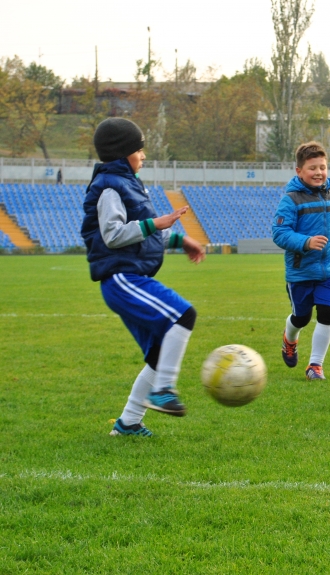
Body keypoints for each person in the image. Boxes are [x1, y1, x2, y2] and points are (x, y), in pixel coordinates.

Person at [81, 118, 205, 437]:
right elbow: (113, 235)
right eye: (140, 149)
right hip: (121, 278)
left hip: (129, 276)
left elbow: (143, 234)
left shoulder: (128, 184)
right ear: (124, 153)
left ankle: (128, 423)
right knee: (183, 314)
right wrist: (156, 224)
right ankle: (163, 389)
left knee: (158, 351)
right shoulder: (110, 186)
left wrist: (179, 240)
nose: (144, 155)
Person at [273, 141, 330, 380]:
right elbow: (279, 234)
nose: (318, 172)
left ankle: (315, 365)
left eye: (322, 167)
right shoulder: (291, 200)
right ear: (299, 171)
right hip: (301, 271)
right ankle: (289, 339)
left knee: (327, 313)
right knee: (301, 317)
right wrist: (306, 242)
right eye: (312, 168)